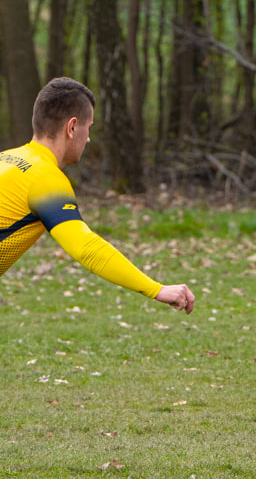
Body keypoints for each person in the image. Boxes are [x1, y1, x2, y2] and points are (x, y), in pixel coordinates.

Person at [0, 77, 195, 314]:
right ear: (72, 127)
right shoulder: (45, 177)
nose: (89, 138)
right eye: (88, 128)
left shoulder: (5, 158)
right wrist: (156, 289)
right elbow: (87, 249)